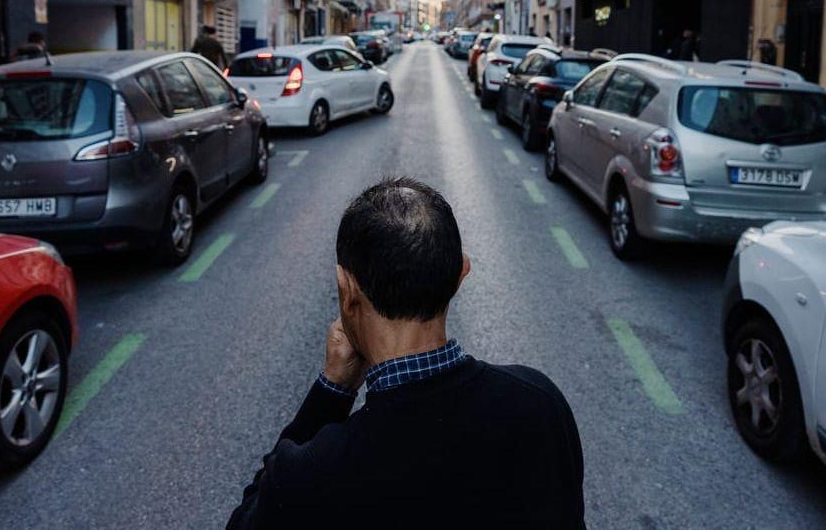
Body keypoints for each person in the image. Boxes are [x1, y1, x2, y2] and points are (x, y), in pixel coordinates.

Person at [227, 178, 585, 529]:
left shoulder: (313, 475)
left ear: (347, 289)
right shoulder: (540, 404)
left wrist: (331, 390)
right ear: (461, 274)